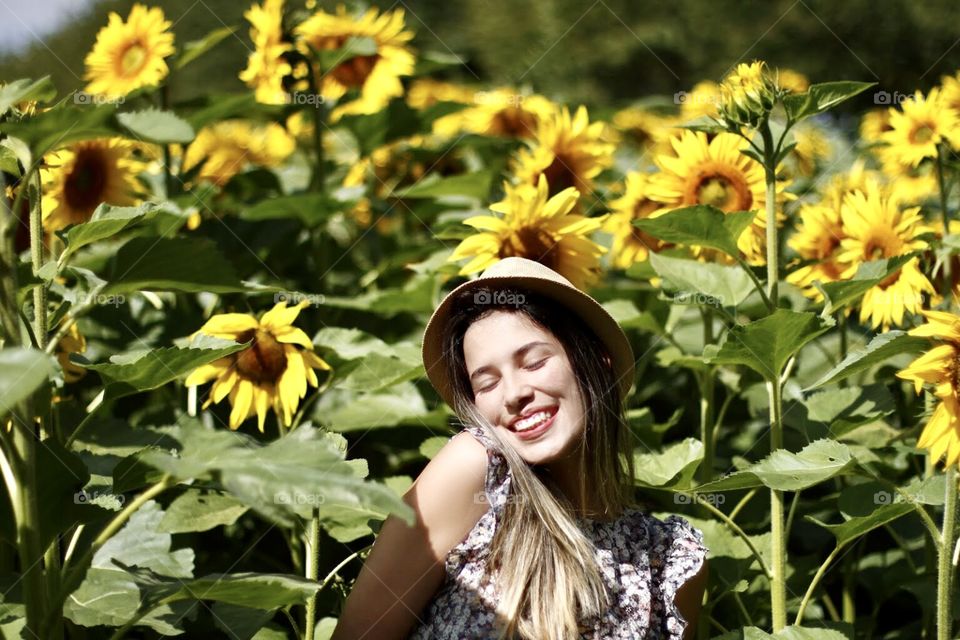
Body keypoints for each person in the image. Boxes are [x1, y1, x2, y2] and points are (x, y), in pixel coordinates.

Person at [331, 257, 709, 640]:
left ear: (597, 360)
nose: (514, 394)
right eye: (487, 383)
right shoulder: (477, 474)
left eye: (534, 362)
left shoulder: (670, 559)